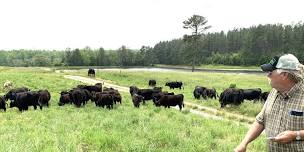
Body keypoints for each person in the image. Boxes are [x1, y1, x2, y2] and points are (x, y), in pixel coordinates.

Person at [234, 54, 304, 152]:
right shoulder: (274, 92)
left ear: (284, 74)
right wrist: (244, 143)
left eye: (270, 72)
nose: (267, 75)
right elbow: (261, 120)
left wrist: (295, 135)